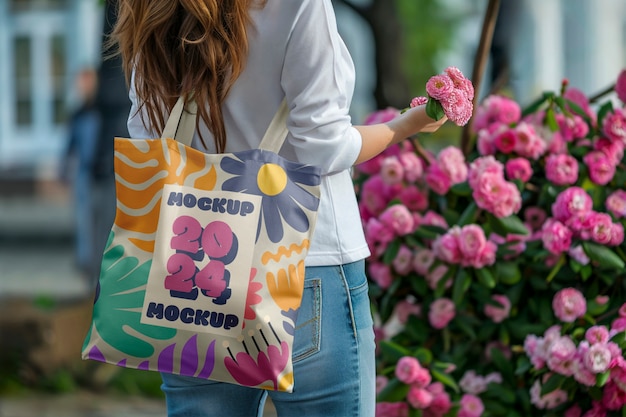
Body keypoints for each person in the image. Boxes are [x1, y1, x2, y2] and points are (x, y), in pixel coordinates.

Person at [110, 1, 447, 416]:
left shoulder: (148, 7)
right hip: (306, 265)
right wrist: (402, 127)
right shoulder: (299, 6)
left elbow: (148, 137)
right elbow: (323, 149)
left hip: (192, 273)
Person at [60, 67, 101, 278]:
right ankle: (86, 261)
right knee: (83, 218)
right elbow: (70, 144)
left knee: (99, 219)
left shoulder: (101, 110)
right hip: (84, 173)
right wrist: (63, 170)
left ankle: (96, 261)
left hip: (102, 172)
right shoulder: (78, 113)